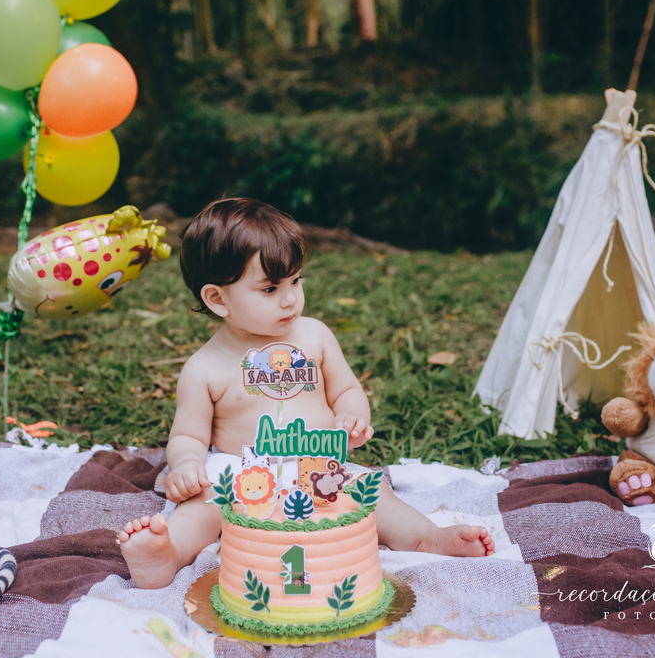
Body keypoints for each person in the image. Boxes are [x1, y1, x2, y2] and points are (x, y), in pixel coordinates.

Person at [118, 198, 495, 589]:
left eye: (295, 281)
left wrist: (351, 416)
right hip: (244, 473)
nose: (290, 298)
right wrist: (186, 465)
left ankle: (426, 537)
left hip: (319, 467)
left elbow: (346, 389)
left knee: (371, 496)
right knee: (204, 505)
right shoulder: (204, 367)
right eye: (269, 288)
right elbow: (188, 435)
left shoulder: (314, 335)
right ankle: (166, 554)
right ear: (218, 299)